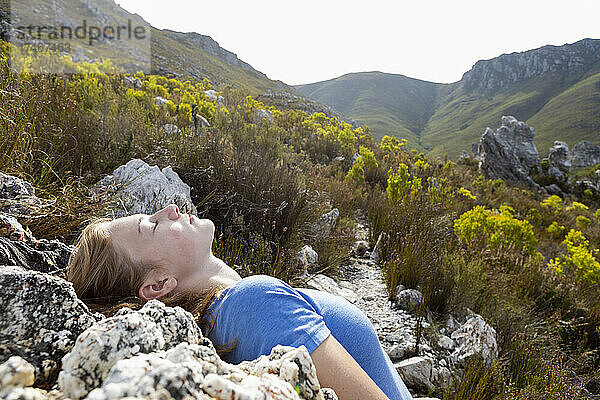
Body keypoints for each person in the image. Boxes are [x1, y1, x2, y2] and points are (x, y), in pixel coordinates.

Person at [67, 203, 414, 400]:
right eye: (152, 226)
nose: (169, 210)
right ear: (157, 285)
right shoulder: (252, 304)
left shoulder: (227, 318)